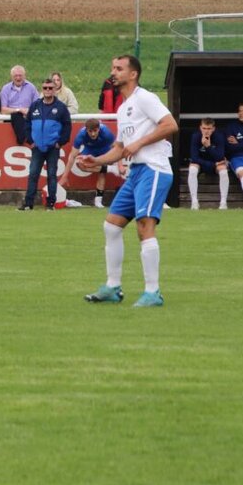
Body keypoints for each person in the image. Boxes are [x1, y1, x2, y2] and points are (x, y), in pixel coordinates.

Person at [80, 55, 177, 308]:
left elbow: (170, 125)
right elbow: (120, 148)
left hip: (154, 169)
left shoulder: (145, 98)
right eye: (113, 68)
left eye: (119, 69)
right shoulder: (123, 108)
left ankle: (153, 292)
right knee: (111, 226)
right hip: (136, 173)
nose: (113, 72)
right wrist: (95, 160)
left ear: (133, 74)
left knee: (144, 226)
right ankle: (113, 287)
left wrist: (140, 143)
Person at [19, 78, 72, 210]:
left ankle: (50, 203)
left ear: (55, 90)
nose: (47, 90)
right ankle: (28, 204)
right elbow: (27, 124)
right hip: (37, 147)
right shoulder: (35, 106)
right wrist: (31, 141)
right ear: (42, 90)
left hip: (52, 147)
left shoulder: (61, 107)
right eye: (45, 88)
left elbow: (67, 126)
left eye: (50, 88)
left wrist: (60, 143)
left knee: (52, 175)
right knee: (33, 174)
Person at [60, 118, 117, 208]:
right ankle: (111, 169)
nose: (93, 134)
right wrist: (65, 176)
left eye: (95, 131)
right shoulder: (81, 135)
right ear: (86, 130)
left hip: (105, 150)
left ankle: (98, 201)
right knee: (80, 164)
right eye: (90, 131)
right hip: (90, 150)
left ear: (99, 129)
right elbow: (72, 156)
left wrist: (119, 164)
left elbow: (117, 148)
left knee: (102, 172)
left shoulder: (106, 132)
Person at [187, 117, 230, 210]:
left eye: (209, 128)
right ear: (200, 127)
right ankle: (194, 202)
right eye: (204, 128)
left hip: (216, 163)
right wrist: (212, 165)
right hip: (202, 163)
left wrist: (208, 146)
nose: (206, 131)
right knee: (192, 169)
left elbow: (220, 157)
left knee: (223, 171)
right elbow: (194, 158)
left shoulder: (219, 136)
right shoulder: (196, 136)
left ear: (213, 128)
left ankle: (223, 203)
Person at [0, 65, 39, 146]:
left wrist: (28, 111)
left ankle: (22, 138)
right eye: (15, 76)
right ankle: (23, 137)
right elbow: (3, 109)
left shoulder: (31, 87)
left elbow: (38, 105)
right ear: (11, 77)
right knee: (16, 115)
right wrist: (19, 110)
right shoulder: (5, 89)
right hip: (11, 119)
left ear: (24, 76)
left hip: (28, 117)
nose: (18, 78)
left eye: (20, 75)